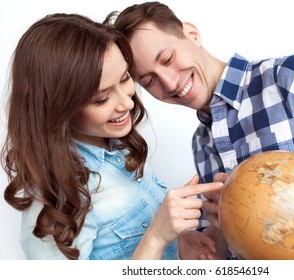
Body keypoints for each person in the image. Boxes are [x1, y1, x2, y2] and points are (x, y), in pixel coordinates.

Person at [107, 1, 294, 260]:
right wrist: (209, 237)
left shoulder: (289, 79)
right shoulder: (201, 143)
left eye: (167, 58)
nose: (168, 83)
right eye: (149, 80)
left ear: (191, 34)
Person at [1, 13, 223, 260]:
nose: (127, 102)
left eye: (126, 78)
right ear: (58, 109)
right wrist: (157, 237)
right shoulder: (55, 203)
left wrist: (179, 243)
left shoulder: (119, 150)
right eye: (102, 98)